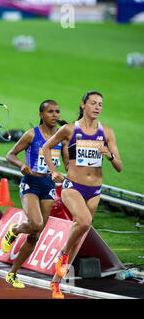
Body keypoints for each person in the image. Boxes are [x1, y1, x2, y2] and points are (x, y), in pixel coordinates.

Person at [42, 91, 122, 299]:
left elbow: (119, 167)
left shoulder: (107, 132)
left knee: (79, 235)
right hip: (73, 186)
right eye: (93, 103)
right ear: (83, 105)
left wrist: (110, 155)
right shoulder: (69, 129)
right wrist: (53, 171)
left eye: (100, 104)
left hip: (95, 190)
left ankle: (56, 283)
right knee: (84, 222)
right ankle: (62, 256)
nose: (97, 107)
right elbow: (46, 146)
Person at [1, 100, 69, 288]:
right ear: (41, 115)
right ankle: (13, 231)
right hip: (30, 184)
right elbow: (10, 155)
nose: (54, 115)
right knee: (36, 223)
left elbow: (67, 163)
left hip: (48, 185)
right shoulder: (32, 134)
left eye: (57, 111)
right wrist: (22, 165)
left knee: (36, 234)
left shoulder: (60, 138)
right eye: (50, 112)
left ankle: (12, 274)